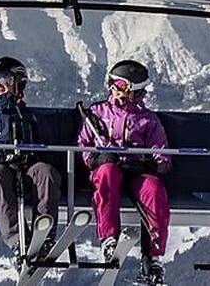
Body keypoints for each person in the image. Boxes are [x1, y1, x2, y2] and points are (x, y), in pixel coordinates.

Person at [77, 59, 170, 285]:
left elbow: (163, 155)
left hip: (136, 171)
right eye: (114, 83)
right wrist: (97, 158)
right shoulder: (97, 114)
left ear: (135, 90)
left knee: (154, 189)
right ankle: (109, 237)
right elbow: (83, 145)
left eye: (121, 85)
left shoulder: (148, 120)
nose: (115, 89)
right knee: (107, 173)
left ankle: (153, 256)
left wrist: (150, 164)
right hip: (109, 169)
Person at [0, 56, 62, 257]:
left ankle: (44, 233)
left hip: (27, 170)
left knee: (45, 172)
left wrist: (32, 155)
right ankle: (18, 241)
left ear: (18, 85)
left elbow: (50, 152)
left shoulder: (30, 118)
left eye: (6, 80)